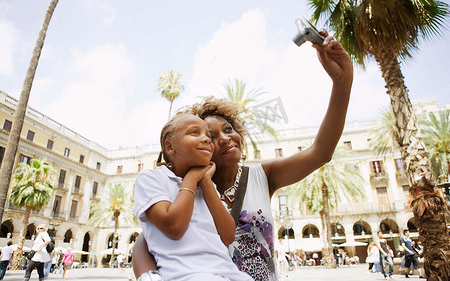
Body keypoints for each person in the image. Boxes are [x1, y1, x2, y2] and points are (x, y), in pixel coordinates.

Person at [132, 30, 353, 281]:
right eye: (210, 136)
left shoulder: (262, 176)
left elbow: (320, 152)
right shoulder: (182, 188)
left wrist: (342, 81)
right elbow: (147, 240)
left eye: (229, 129)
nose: (224, 138)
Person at [133, 112, 254, 281]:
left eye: (208, 135)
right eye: (194, 132)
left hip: (232, 275)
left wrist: (205, 182)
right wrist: (192, 177)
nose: (206, 139)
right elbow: (174, 227)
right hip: (188, 275)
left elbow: (228, 236)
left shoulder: (207, 185)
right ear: (170, 147)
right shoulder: (151, 179)